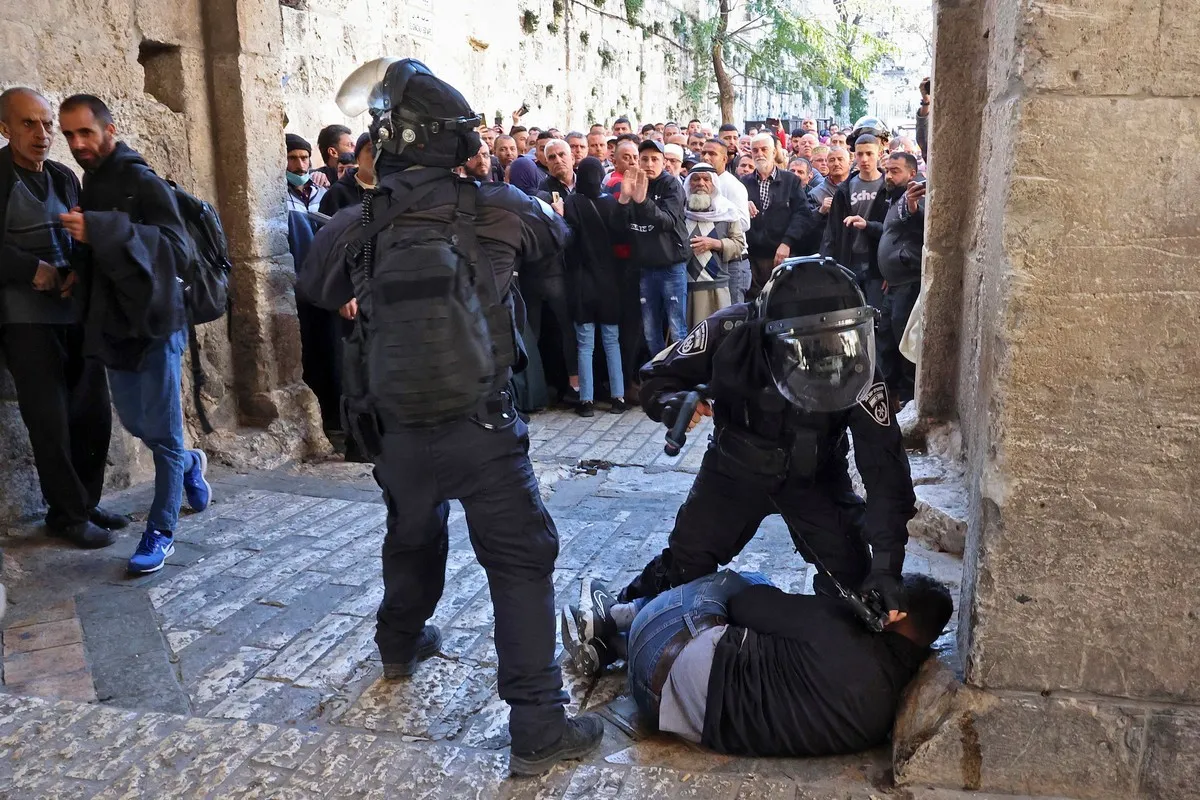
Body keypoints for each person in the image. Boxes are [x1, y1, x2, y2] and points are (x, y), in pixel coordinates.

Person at [296, 58, 602, 775]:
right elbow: (556, 244)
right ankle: (537, 726)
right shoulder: (499, 207)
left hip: (396, 426)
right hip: (482, 427)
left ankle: (398, 644)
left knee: (411, 531)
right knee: (521, 558)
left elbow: (316, 284)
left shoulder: (356, 220)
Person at [589, 258, 916, 629]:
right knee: (685, 563)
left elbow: (885, 468)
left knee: (857, 581)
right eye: (808, 348)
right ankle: (617, 617)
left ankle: (831, 645)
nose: (824, 357)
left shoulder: (858, 363)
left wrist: (888, 566)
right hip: (732, 471)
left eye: (834, 344)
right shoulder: (730, 330)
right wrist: (671, 403)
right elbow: (657, 378)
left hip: (817, 477)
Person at [57, 94, 212, 574]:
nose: (77, 143)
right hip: (114, 326)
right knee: (137, 424)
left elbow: (176, 249)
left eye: (86, 132)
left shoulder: (141, 180)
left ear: (109, 129)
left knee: (163, 435)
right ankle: (189, 464)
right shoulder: (92, 180)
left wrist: (100, 228)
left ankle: (161, 531)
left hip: (157, 323)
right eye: (69, 135)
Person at [561, 569, 952, 755]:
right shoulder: (885, 710)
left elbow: (743, 605)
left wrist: (833, 610)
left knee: (744, 581)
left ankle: (616, 613)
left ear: (894, 614)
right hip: (675, 715)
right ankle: (609, 647)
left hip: (660, 656)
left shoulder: (840, 628)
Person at [0, 87, 119, 548]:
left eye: (48, 124)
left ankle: (86, 503)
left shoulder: (65, 176)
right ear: (6, 128)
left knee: (92, 413)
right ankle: (66, 515)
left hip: (73, 311)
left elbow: (78, 234)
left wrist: (73, 272)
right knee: (49, 420)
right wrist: (34, 270)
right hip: (25, 320)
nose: (43, 134)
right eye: (28, 124)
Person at [560, 158, 626, 417]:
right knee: (612, 342)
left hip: (581, 282)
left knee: (585, 344)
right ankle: (618, 397)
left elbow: (569, 242)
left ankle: (585, 400)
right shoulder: (610, 203)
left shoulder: (572, 203)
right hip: (608, 282)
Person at [616, 140, 689, 356]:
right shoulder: (633, 181)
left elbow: (666, 221)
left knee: (677, 328)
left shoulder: (671, 185)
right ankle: (657, 375)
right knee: (650, 330)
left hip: (671, 266)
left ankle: (680, 376)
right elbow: (619, 227)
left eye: (654, 159)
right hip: (645, 268)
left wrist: (642, 201)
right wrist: (624, 198)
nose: (649, 164)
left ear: (664, 162)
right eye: (644, 159)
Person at [741, 134, 820, 300]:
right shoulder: (743, 183)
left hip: (782, 256)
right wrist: (742, 204)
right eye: (755, 150)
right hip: (753, 259)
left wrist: (787, 242)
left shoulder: (790, 180)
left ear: (774, 152)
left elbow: (803, 214)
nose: (759, 154)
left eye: (764, 149)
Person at [876, 152, 926, 405]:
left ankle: (909, 399)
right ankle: (889, 395)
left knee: (905, 342)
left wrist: (915, 207)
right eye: (887, 170)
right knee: (885, 339)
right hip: (893, 284)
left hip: (909, 285)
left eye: (895, 171)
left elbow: (926, 225)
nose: (889, 175)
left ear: (911, 173)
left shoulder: (918, 196)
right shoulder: (894, 199)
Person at [821, 132, 889, 305]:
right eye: (860, 154)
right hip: (849, 261)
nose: (864, 159)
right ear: (854, 156)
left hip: (877, 263)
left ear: (879, 154)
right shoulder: (845, 189)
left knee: (876, 316)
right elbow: (832, 232)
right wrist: (827, 266)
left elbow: (893, 231)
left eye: (869, 153)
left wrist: (891, 269)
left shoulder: (888, 188)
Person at [681, 164, 742, 328]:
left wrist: (715, 243)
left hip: (716, 285)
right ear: (689, 183)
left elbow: (739, 244)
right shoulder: (680, 211)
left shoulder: (727, 211)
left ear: (714, 183)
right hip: (684, 286)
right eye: (695, 179)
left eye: (706, 179)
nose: (700, 183)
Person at [699, 139, 752, 305]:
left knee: (732, 318)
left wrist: (713, 225)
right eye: (703, 153)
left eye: (712, 154)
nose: (706, 157)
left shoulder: (732, 185)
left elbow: (744, 222)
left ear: (724, 159)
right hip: (710, 261)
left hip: (733, 262)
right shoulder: (699, 182)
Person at [320, 133, 375, 215]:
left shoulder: (392, 188)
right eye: (371, 149)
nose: (377, 155)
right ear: (358, 158)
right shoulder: (337, 193)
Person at [285, 134, 327, 213]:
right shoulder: (279, 193)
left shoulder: (321, 187)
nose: (300, 165)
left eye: (304, 158)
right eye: (292, 158)